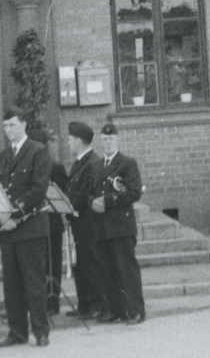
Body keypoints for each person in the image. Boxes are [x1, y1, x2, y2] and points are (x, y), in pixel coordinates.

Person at [0, 107, 52, 347]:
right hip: (7, 229)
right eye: (5, 126)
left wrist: (13, 213)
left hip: (30, 226)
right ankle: (16, 332)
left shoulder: (38, 151)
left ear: (24, 125)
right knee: (12, 284)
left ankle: (40, 331)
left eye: (13, 125)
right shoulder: (2, 156)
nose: (9, 130)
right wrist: (0, 215)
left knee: (34, 282)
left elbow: (38, 189)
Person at [92, 122, 145, 324]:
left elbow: (134, 192)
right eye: (104, 139)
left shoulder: (127, 163)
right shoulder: (96, 166)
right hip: (102, 225)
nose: (108, 142)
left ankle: (135, 311)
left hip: (121, 225)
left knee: (127, 270)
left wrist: (106, 201)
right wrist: (92, 202)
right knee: (108, 270)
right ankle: (116, 310)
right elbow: (91, 192)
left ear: (117, 140)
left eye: (111, 139)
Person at [65, 121, 105, 320]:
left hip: (88, 222)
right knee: (79, 264)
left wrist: (68, 208)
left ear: (79, 141)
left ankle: (95, 305)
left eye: (71, 140)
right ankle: (84, 305)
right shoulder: (79, 163)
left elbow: (84, 194)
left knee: (90, 264)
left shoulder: (92, 163)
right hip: (78, 222)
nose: (68, 143)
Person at [46, 155, 70, 316]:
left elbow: (64, 192)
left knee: (52, 265)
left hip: (52, 223)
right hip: (34, 224)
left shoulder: (54, 165)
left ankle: (53, 303)